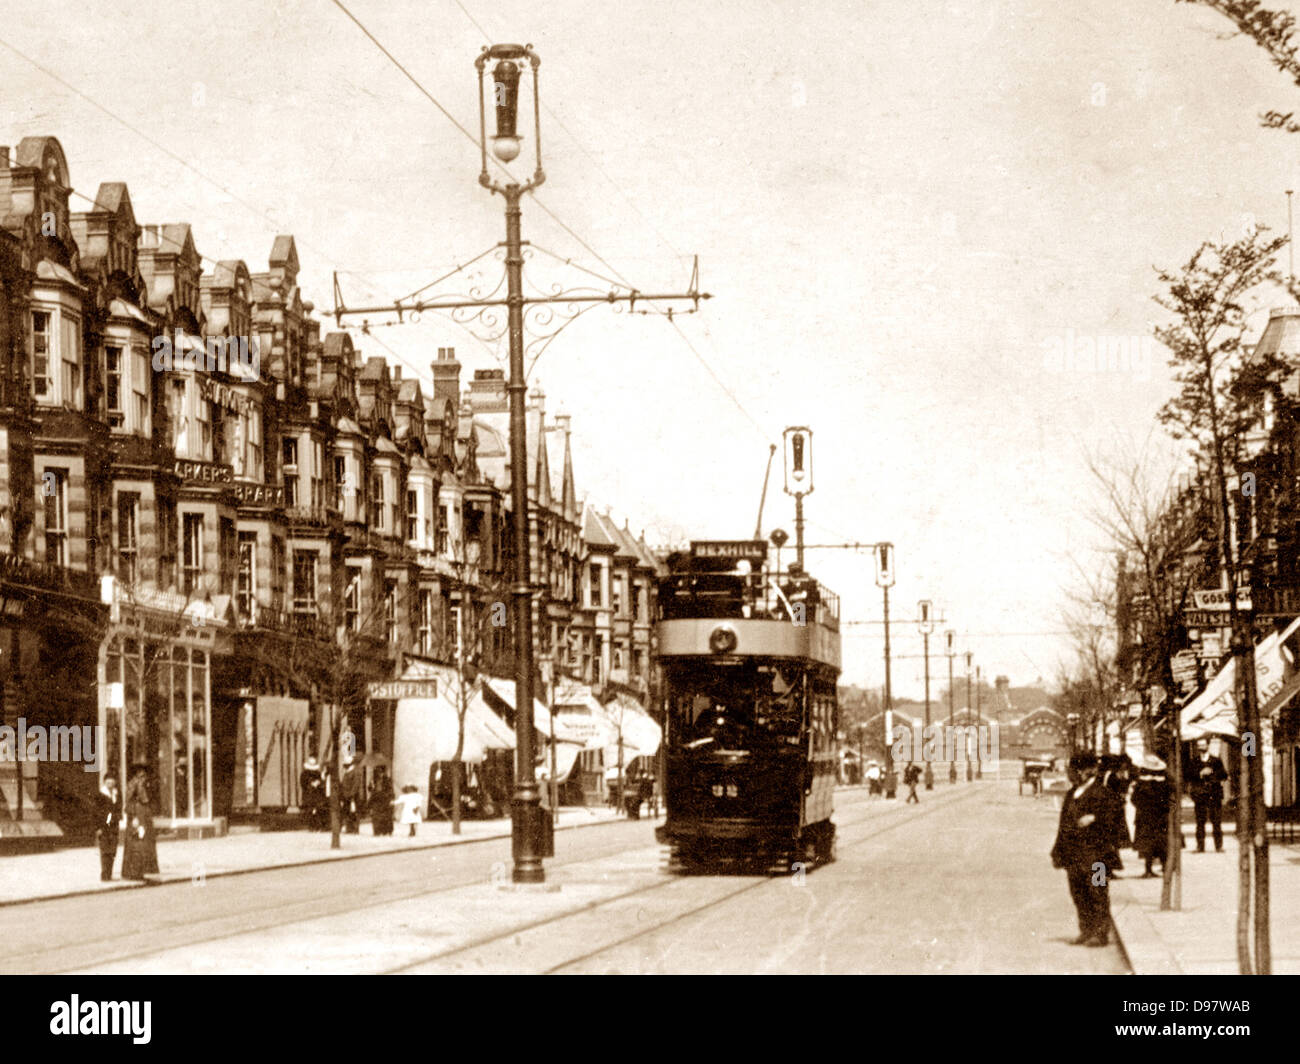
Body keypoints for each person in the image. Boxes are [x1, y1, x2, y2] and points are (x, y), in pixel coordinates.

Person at [1050, 753, 1126, 947]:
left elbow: (1115, 820)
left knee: (1098, 891)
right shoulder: (1072, 793)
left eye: (1074, 771)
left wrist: (1095, 819)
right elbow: (1063, 824)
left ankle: (1100, 933)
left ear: (1086, 771)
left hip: (1098, 856)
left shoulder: (1103, 792)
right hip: (1074, 855)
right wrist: (1058, 851)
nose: (1071, 775)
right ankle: (1086, 929)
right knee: (1079, 893)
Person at [1130, 754, 1172, 878]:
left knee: (1147, 844)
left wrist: (1142, 807)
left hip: (1144, 817)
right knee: (1162, 842)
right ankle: (1165, 867)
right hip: (1160, 816)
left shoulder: (1141, 783)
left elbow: (1134, 799)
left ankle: (1148, 869)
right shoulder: (1164, 782)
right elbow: (1170, 798)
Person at [121, 764, 160, 882]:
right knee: (137, 842)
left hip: (144, 814)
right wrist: (134, 817)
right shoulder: (133, 784)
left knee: (145, 842)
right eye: (141, 774)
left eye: (144, 775)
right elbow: (129, 801)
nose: (143, 777)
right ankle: (133, 871)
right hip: (137, 815)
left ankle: (142, 869)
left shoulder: (144, 785)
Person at [1189, 739, 1228, 852]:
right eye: (1199, 745)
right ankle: (1200, 846)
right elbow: (1189, 775)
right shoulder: (1194, 761)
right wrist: (1200, 774)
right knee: (1200, 822)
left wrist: (1211, 773)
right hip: (1200, 795)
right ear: (1197, 747)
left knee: (1216, 821)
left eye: (1204, 745)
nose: (1202, 747)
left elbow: (1224, 775)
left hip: (1214, 795)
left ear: (1207, 746)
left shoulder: (1216, 761)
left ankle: (1219, 846)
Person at [93, 774, 122, 881]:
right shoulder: (100, 794)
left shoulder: (116, 794)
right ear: (105, 782)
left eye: (112, 781)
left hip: (114, 826)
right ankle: (105, 875)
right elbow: (95, 812)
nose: (110, 783)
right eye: (108, 781)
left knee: (112, 850)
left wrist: (118, 818)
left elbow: (119, 808)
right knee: (105, 850)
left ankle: (109, 873)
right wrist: (98, 827)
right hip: (104, 826)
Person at [300, 754, 326, 831]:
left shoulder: (314, 773)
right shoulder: (305, 774)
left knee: (315, 810)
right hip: (310, 794)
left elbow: (321, 781)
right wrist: (312, 784)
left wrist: (317, 783)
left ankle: (314, 826)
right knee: (310, 810)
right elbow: (303, 784)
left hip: (314, 794)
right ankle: (312, 826)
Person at [340, 755, 363, 835]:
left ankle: (355, 829)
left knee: (354, 812)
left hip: (352, 796)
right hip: (346, 796)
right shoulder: (347, 772)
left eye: (346, 765)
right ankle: (349, 828)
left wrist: (351, 794)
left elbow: (356, 784)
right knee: (347, 812)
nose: (345, 767)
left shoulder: (355, 772)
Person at [368, 766, 395, 836]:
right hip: (376, 800)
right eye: (377, 772)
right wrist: (371, 785)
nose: (379, 774)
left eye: (380, 772)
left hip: (385, 800)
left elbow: (391, 790)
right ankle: (377, 831)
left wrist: (391, 799)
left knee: (385, 817)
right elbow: (370, 789)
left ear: (383, 772)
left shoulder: (387, 780)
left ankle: (387, 831)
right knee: (376, 816)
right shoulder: (373, 780)